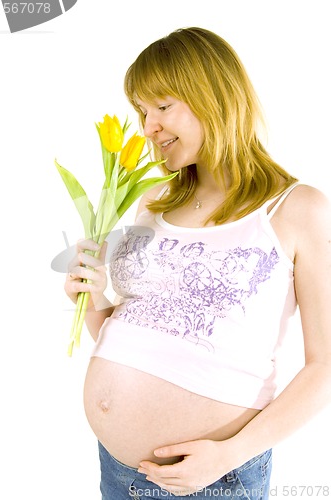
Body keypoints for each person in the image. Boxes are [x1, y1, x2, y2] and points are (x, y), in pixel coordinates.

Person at [64, 27, 331, 499]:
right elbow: (142, 335)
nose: (148, 128)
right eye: (143, 112)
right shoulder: (155, 200)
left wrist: (231, 454)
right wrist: (95, 299)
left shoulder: (296, 209)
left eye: (162, 107)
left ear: (215, 98)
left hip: (213, 480)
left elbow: (324, 367)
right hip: (117, 471)